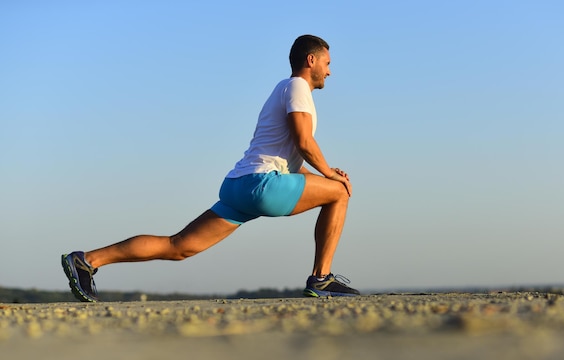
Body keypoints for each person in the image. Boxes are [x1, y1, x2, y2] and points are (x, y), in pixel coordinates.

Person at [61, 34, 360, 302]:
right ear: (311, 60)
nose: (330, 71)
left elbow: (291, 161)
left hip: (238, 185)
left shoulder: (284, 89)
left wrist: (323, 175)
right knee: (339, 193)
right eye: (327, 63)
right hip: (260, 185)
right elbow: (304, 141)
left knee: (179, 246)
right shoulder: (298, 87)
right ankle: (322, 278)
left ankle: (87, 260)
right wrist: (332, 176)